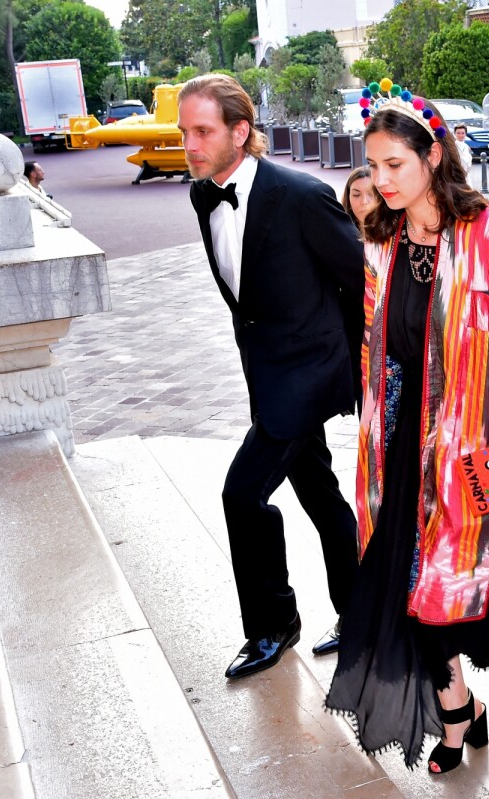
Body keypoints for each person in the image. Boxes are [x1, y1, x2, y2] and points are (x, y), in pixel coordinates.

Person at [325, 89, 489, 775]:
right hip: (398, 449)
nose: (381, 180)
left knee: (469, 593)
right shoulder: (380, 238)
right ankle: (458, 713)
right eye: (372, 167)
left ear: (434, 155)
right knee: (404, 594)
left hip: (472, 451)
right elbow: (377, 349)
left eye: (395, 163)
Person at [177, 74, 365, 679]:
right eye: (185, 132)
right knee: (320, 495)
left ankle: (272, 625)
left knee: (241, 494)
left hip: (309, 377)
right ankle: (360, 614)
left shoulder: (301, 195)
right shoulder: (203, 193)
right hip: (268, 375)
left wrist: (351, 370)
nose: (191, 144)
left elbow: (361, 285)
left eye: (202, 131)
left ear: (240, 131)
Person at [341, 166, 377, 231]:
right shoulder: (340, 233)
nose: (364, 201)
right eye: (356, 195)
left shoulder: (396, 236)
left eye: (372, 194)